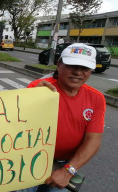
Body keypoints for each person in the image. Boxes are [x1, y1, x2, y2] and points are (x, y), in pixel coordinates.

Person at [21, 43, 106, 192]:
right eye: (71, 65)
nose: (78, 72)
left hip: (65, 165)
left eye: (84, 68)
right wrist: (32, 99)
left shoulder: (96, 98)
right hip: (30, 161)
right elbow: (15, 124)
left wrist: (68, 171)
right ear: (59, 64)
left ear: (91, 70)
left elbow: (93, 140)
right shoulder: (39, 88)